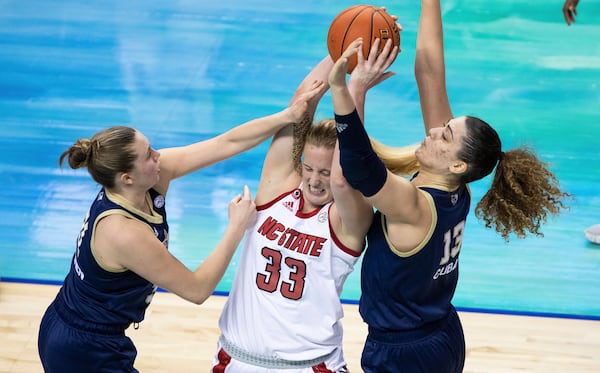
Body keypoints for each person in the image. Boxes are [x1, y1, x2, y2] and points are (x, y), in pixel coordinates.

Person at [328, 0, 571, 371]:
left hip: (405, 352)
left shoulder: (415, 205)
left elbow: (354, 170)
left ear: (458, 162)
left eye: (444, 135)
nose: (434, 132)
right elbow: (429, 74)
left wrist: (349, 88)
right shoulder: (458, 183)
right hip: (440, 334)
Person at [37, 89, 324, 373]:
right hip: (82, 348)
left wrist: (286, 116)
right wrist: (236, 227)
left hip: (82, 330)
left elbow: (227, 143)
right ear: (127, 178)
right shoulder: (123, 232)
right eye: (148, 155)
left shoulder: (147, 179)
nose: (158, 156)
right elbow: (197, 289)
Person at [211, 32, 407, 371]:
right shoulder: (277, 192)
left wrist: (353, 90)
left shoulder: (347, 219)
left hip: (309, 365)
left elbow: (348, 174)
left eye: (325, 172)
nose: (315, 180)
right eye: (309, 168)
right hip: (237, 359)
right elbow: (301, 101)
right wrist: (349, 42)